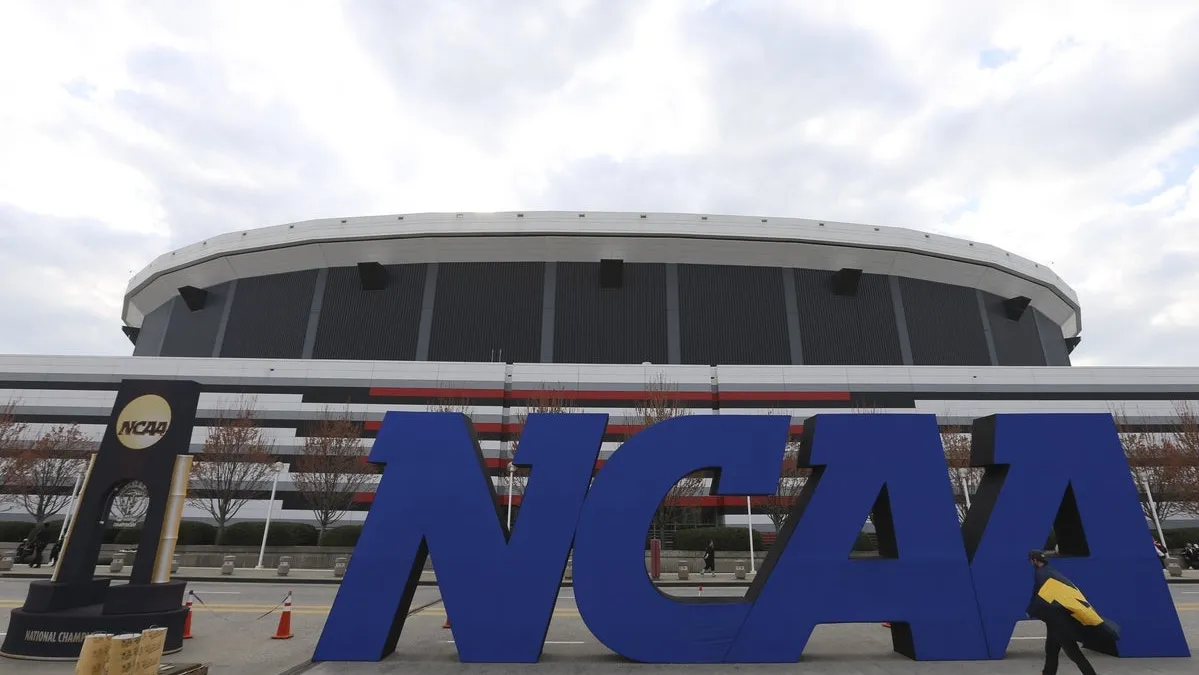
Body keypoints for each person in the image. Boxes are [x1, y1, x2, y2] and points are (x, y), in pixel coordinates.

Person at [1026, 550, 1120, 675]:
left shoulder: (1041, 574)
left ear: (1035, 561)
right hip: (1055, 621)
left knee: (1074, 654)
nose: (1031, 563)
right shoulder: (1051, 572)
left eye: (1031, 560)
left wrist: (1031, 610)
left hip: (1059, 623)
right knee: (1051, 650)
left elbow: (1038, 595)